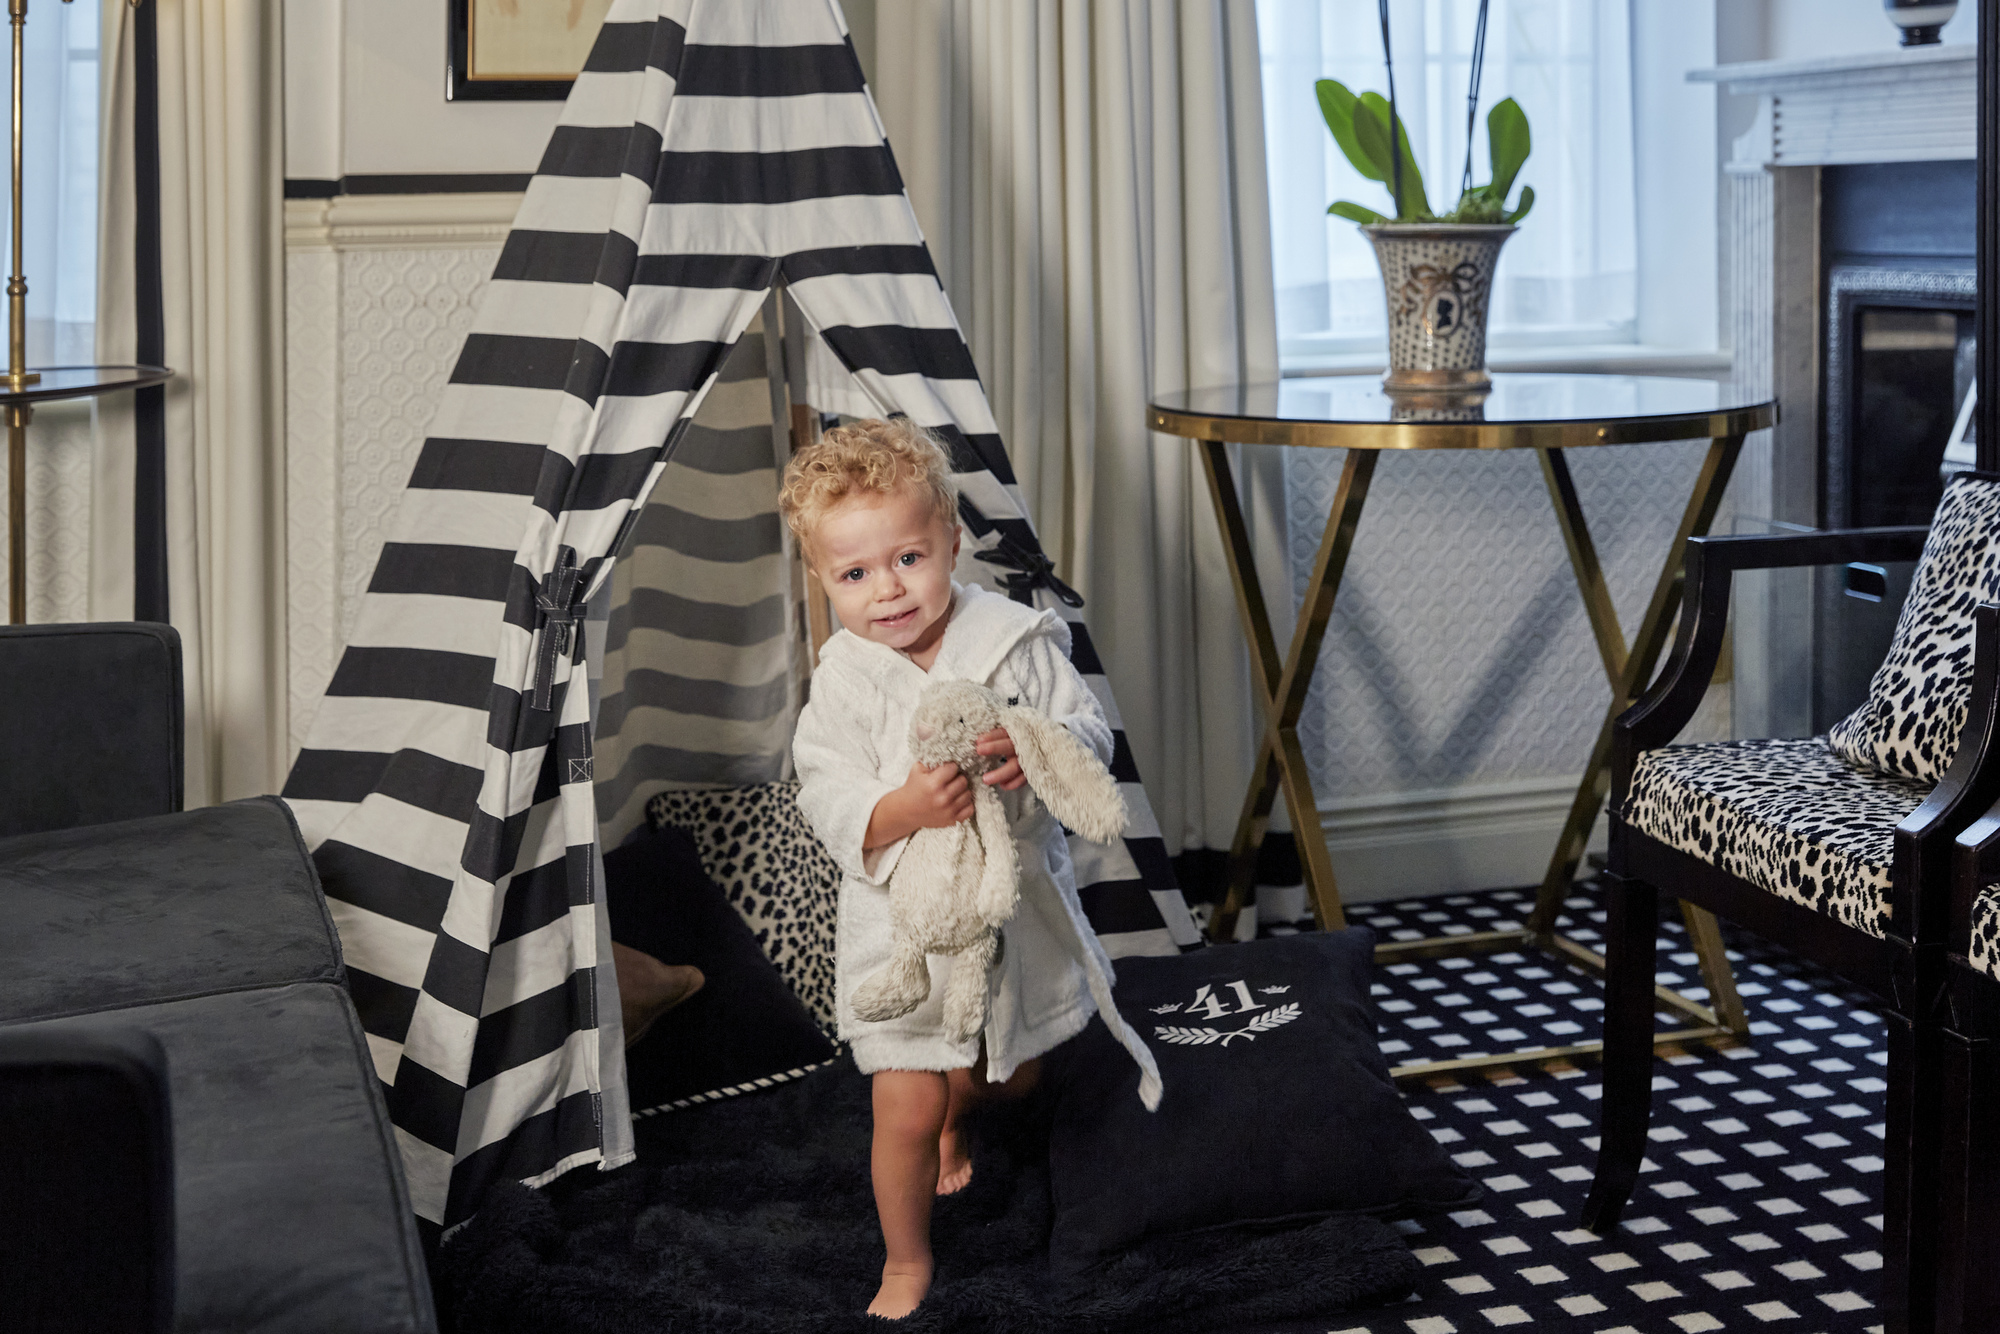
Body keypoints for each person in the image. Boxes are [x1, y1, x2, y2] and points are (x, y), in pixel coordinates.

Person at [782, 418, 1159, 1319]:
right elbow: (823, 789)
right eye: (855, 574)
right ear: (823, 580)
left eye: (909, 557)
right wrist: (903, 810)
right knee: (904, 1102)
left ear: (952, 539)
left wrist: (1031, 749)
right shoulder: (843, 679)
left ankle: (968, 1109)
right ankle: (906, 1258)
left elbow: (1089, 734)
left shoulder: (1016, 641)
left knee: (1008, 1072)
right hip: (905, 922)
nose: (888, 591)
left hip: (1009, 901)